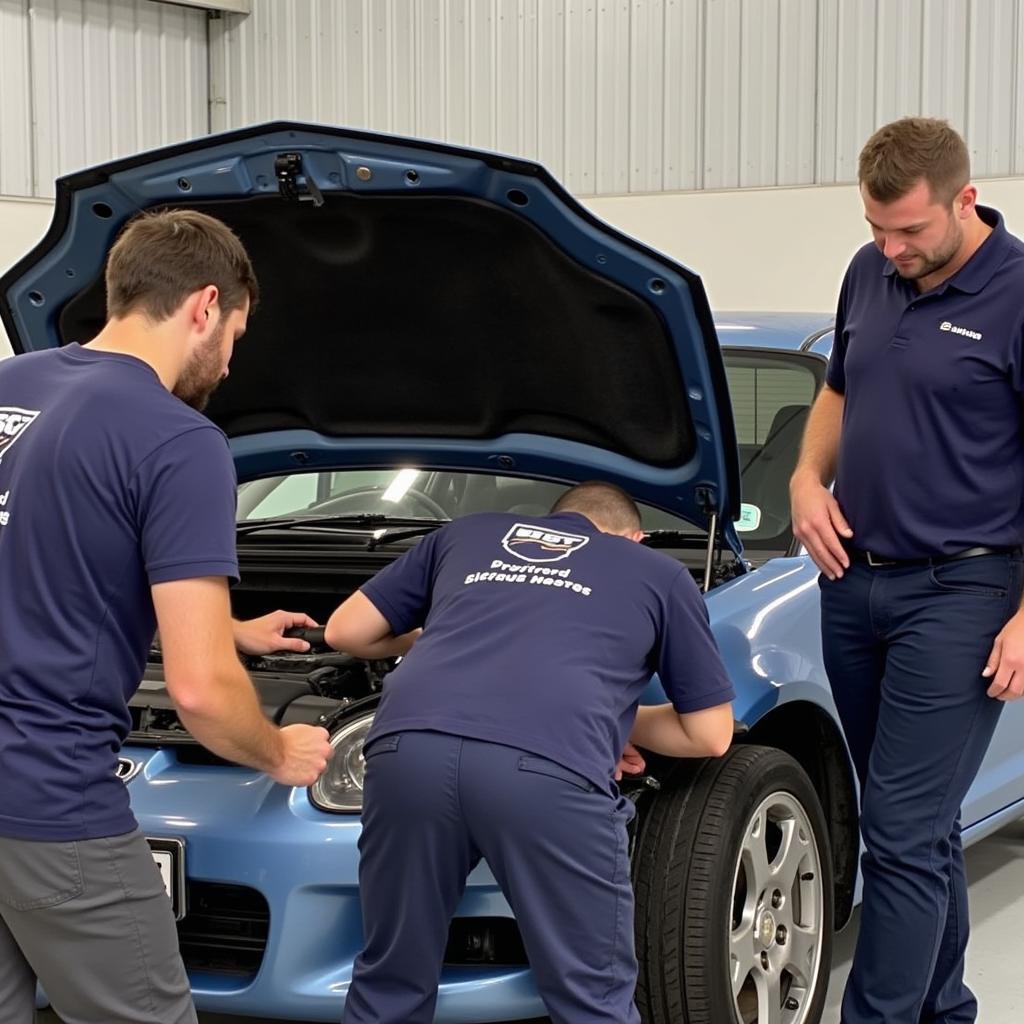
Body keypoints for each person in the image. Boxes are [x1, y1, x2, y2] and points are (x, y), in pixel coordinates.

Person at [0, 209, 333, 1024]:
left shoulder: (10, 390)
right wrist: (278, 750)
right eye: (237, 335)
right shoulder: (177, 440)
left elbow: (45, 570)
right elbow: (202, 695)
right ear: (206, 305)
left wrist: (224, 629)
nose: (228, 361)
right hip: (53, 808)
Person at [324, 480, 735, 1024]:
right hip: (544, 775)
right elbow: (710, 734)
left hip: (406, 752)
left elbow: (343, 630)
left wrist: (431, 636)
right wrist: (598, 716)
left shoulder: (464, 534)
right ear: (634, 538)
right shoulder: (659, 574)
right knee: (591, 998)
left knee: (389, 979)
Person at [790, 117, 1024, 1024]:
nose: (892, 250)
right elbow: (839, 388)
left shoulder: (1015, 292)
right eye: (877, 230)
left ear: (966, 200)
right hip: (853, 584)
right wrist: (808, 478)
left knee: (895, 829)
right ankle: (945, 1008)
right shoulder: (869, 270)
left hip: (962, 590)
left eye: (911, 232)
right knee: (916, 831)